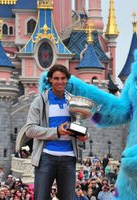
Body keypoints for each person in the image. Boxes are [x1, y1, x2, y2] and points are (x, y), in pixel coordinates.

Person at [25, 64, 89, 200]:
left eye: (63, 78)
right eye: (56, 78)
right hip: (46, 157)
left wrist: (84, 135)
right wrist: (56, 131)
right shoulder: (40, 101)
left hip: (69, 157)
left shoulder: (73, 101)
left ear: (67, 80)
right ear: (50, 80)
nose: (60, 81)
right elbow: (29, 130)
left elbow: (79, 125)